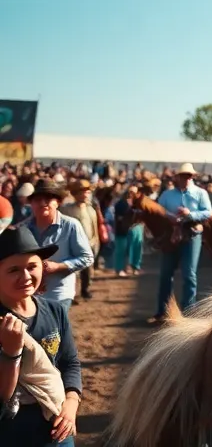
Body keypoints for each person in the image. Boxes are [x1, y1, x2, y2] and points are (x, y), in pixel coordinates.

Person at [0, 226, 82, 446]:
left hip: (58, 426)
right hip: (13, 432)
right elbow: (3, 397)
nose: (26, 276)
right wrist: (11, 353)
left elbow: (69, 362)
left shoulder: (55, 311)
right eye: (13, 270)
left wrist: (71, 404)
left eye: (32, 266)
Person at [151, 164, 212, 323]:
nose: (187, 178)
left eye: (189, 175)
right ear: (177, 177)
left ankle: (188, 313)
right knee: (166, 274)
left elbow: (208, 212)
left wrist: (190, 214)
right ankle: (162, 312)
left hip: (191, 235)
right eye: (183, 175)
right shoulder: (167, 194)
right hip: (171, 235)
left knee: (189, 275)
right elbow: (158, 211)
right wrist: (169, 216)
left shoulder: (200, 193)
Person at [17, 181, 93, 308]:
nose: (42, 203)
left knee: (55, 328)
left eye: (48, 199)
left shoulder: (70, 226)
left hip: (59, 294)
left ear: (58, 202)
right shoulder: (22, 228)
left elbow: (87, 257)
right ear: (32, 204)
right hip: (29, 295)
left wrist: (58, 266)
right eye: (38, 200)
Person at [58, 182, 100, 300]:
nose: (86, 195)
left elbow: (94, 227)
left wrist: (95, 242)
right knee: (72, 270)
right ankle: (70, 293)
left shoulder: (91, 209)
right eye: (83, 192)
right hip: (71, 244)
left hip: (89, 243)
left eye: (87, 192)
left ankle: (85, 290)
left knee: (87, 270)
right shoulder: (67, 210)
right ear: (76, 194)